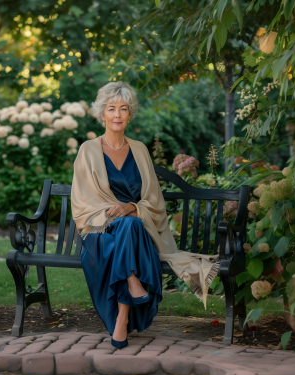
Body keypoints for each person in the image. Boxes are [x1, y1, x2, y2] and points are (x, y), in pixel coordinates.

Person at [71, 82, 219, 350]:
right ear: (102, 114)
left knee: (131, 223)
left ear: (130, 114)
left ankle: (122, 317)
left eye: (123, 109)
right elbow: (82, 203)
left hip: (134, 231)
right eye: (112, 109)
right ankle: (132, 283)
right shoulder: (88, 150)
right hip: (101, 234)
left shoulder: (139, 150)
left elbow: (154, 201)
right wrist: (114, 213)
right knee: (128, 227)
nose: (117, 115)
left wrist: (131, 207)